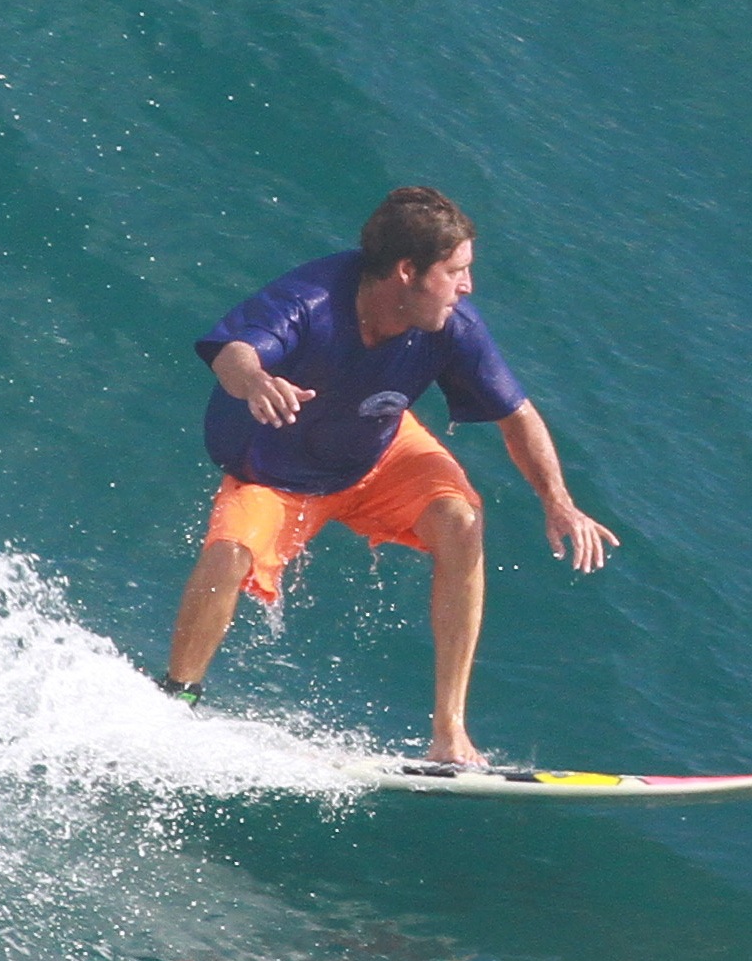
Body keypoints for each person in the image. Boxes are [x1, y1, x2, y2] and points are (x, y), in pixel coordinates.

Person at [158, 186, 618, 765]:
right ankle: (176, 701)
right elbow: (233, 353)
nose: (467, 286)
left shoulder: (452, 326)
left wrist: (558, 501)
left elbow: (517, 415)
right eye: (456, 272)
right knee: (228, 555)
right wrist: (256, 383)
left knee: (461, 519)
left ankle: (449, 733)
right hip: (275, 473)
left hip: (379, 452)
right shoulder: (314, 299)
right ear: (407, 272)